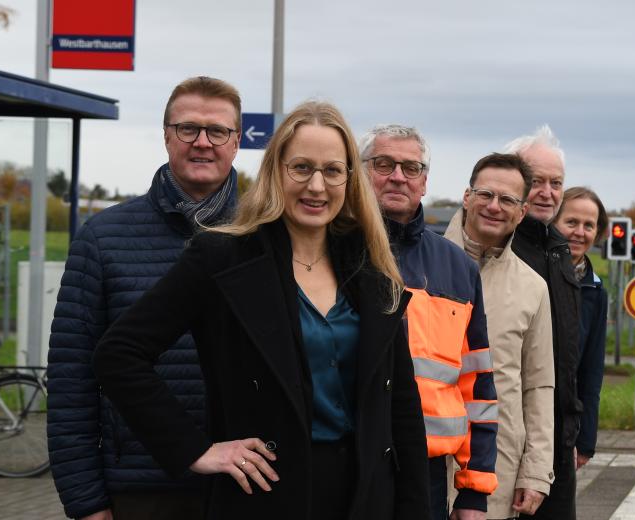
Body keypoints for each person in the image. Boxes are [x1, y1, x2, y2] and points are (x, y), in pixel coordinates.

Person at [91, 100, 430, 520]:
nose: (317, 186)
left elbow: (401, 407)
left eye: (332, 170)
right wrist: (194, 449)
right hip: (265, 494)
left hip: (365, 496)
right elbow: (119, 354)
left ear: (349, 179)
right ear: (275, 170)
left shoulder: (373, 272)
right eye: (301, 168)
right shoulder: (222, 258)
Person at [48, 76, 241, 520]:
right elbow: (69, 379)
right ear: (166, 135)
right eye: (187, 128)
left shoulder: (268, 235)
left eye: (218, 131)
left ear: (235, 143)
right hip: (141, 487)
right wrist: (86, 501)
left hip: (247, 484)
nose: (202, 143)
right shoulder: (104, 238)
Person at [361, 124, 498, 520]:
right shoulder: (331, 249)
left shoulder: (457, 268)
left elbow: (479, 388)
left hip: (426, 471)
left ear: (424, 182)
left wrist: (474, 490)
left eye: (411, 167)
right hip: (347, 463)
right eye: (384, 164)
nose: (398, 176)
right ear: (361, 172)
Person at [444, 153, 554, 519]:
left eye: (508, 200)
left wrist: (537, 470)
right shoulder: (416, 265)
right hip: (419, 463)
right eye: (485, 194)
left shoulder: (533, 288)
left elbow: (539, 385)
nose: (495, 206)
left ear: (522, 212)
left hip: (496, 467)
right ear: (466, 196)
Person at [502, 126, 581, 519]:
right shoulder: (498, 247)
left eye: (556, 183)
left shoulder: (558, 248)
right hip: (511, 440)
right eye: (537, 182)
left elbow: (568, 352)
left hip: (557, 442)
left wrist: (575, 428)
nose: (548, 192)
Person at [551, 187, 609, 470]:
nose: (579, 232)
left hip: (566, 425)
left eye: (589, 226)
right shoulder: (533, 275)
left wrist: (585, 439)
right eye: (571, 222)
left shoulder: (596, 291)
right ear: (553, 222)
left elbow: (591, 369)